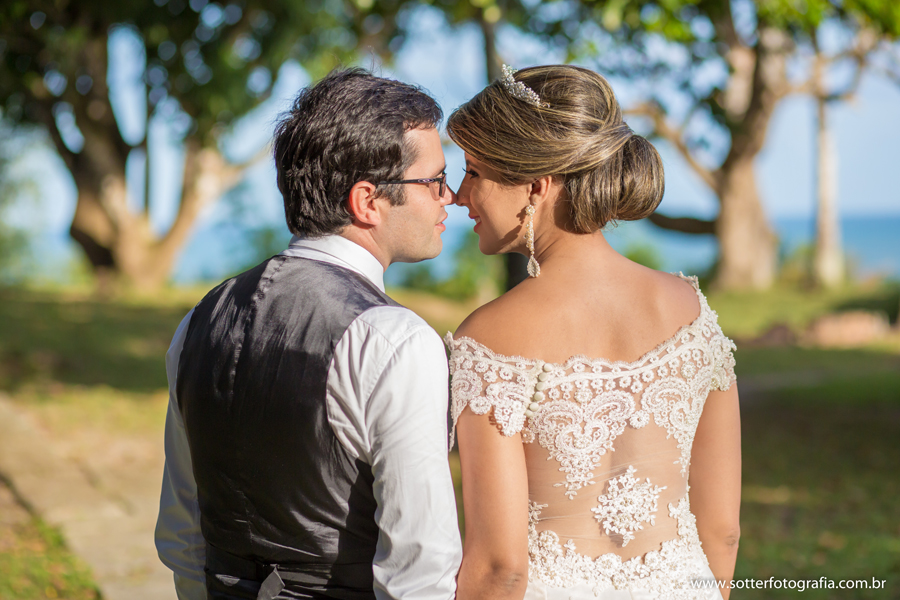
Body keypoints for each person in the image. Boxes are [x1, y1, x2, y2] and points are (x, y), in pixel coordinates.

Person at [154, 68, 462, 600]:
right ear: (368, 201)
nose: (449, 197)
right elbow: (419, 570)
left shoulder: (201, 317)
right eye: (434, 181)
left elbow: (183, 534)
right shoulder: (395, 341)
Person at [445, 65, 741, 600]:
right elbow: (722, 532)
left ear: (536, 186)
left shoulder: (488, 340)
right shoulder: (693, 313)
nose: (458, 195)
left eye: (473, 172)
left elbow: (500, 568)